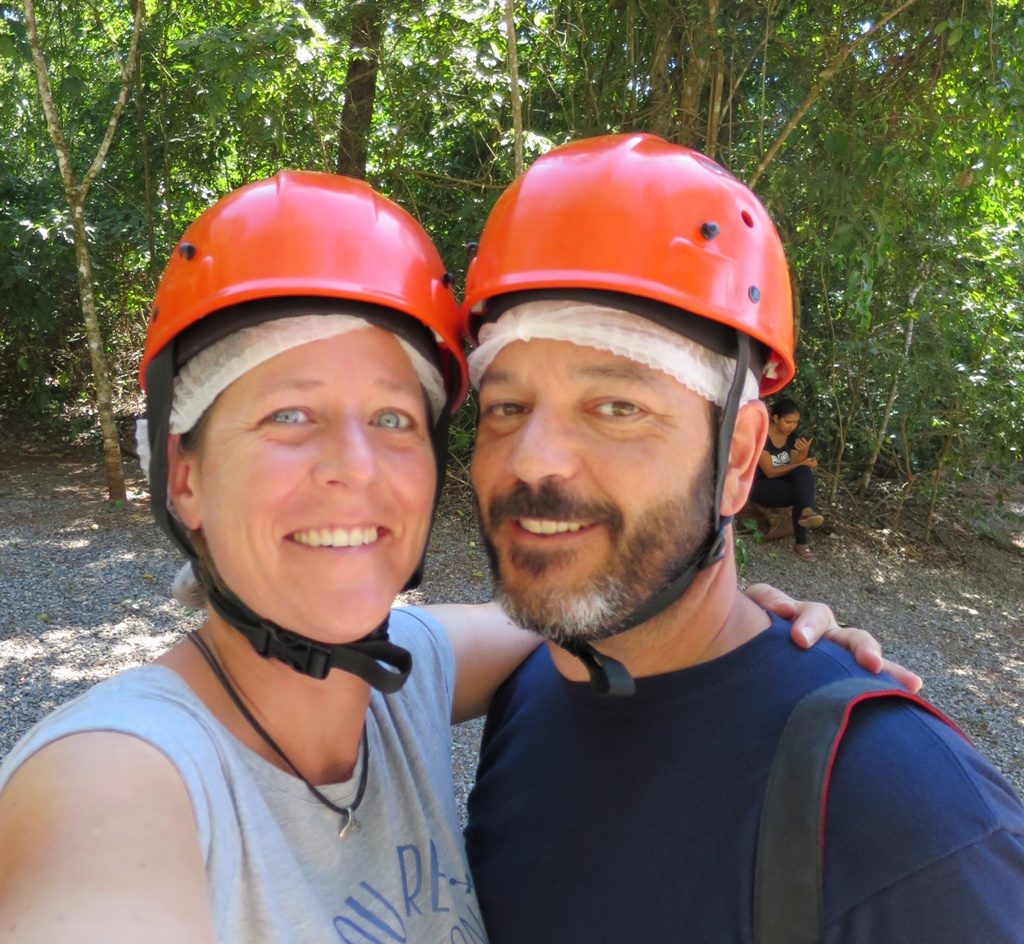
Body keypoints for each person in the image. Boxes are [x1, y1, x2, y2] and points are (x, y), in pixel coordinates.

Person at [0, 170, 887, 942]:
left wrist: (736, 609)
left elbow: (560, 611)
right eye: (289, 415)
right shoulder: (115, 778)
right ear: (184, 476)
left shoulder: (403, 682)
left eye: (392, 418)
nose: (354, 466)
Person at [460, 134, 1024, 943]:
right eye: (506, 406)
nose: (531, 458)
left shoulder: (912, 824)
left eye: (617, 407)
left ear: (737, 459)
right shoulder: (534, 684)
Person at [749, 395, 823, 560]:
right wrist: (801, 463)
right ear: (776, 418)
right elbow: (770, 472)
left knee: (803, 477)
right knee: (802, 493)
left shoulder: (792, 436)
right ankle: (802, 543)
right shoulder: (762, 436)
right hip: (760, 486)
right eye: (788, 422)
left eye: (795, 422)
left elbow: (795, 465)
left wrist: (803, 455)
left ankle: (806, 513)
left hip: (781, 484)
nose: (792, 426)